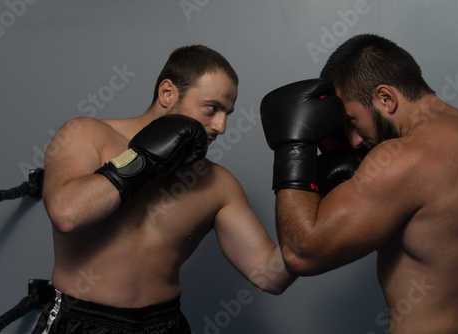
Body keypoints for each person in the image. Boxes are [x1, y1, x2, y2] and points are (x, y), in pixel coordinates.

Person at [33, 45, 296, 334]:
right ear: (167, 93)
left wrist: (308, 188)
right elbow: (66, 213)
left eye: (227, 114)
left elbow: (269, 275)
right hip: (81, 321)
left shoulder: (218, 184)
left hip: (164, 324)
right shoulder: (86, 134)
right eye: (212, 108)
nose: (221, 126)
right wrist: (143, 160)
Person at [260, 34, 458, 333]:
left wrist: (293, 146)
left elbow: (301, 255)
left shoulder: (401, 158)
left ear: (386, 98)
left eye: (352, 121)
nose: (354, 140)